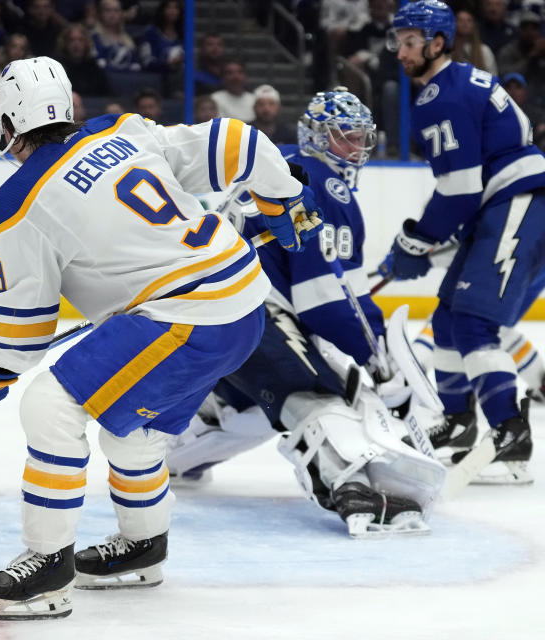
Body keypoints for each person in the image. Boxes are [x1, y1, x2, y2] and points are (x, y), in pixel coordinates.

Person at [0, 55, 323, 621]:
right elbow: (238, 143)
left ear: (7, 122)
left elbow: (23, 332)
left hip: (186, 317)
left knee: (50, 405)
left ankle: (48, 565)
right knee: (135, 433)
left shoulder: (18, 203)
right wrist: (282, 199)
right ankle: (143, 547)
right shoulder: (121, 130)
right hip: (245, 304)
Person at [166, 89, 444, 538]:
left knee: (255, 408)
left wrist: (373, 349)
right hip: (247, 306)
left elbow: (337, 296)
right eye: (344, 137)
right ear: (316, 135)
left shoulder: (284, 164)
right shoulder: (322, 183)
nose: (355, 149)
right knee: (315, 393)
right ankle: (349, 486)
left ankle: (174, 454)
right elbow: (325, 304)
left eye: (360, 138)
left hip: (200, 308)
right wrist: (377, 362)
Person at [378, 0, 545, 484]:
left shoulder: (440, 97)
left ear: (437, 42)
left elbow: (459, 189)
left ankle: (510, 431)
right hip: (505, 203)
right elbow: (465, 188)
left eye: (411, 42)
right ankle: (458, 422)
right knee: (449, 317)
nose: (401, 51)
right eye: (398, 41)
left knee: (473, 322)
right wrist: (424, 238)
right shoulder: (459, 82)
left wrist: (417, 240)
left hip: (518, 201)